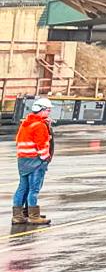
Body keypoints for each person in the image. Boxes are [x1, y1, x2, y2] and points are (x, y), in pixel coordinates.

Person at [13, 97, 53, 230]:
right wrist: (45, 158)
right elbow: (42, 145)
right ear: (41, 110)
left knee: (22, 188)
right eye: (48, 110)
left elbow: (19, 141)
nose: (49, 112)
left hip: (23, 160)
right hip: (36, 161)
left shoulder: (25, 123)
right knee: (34, 189)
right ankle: (33, 216)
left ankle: (18, 216)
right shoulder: (40, 126)